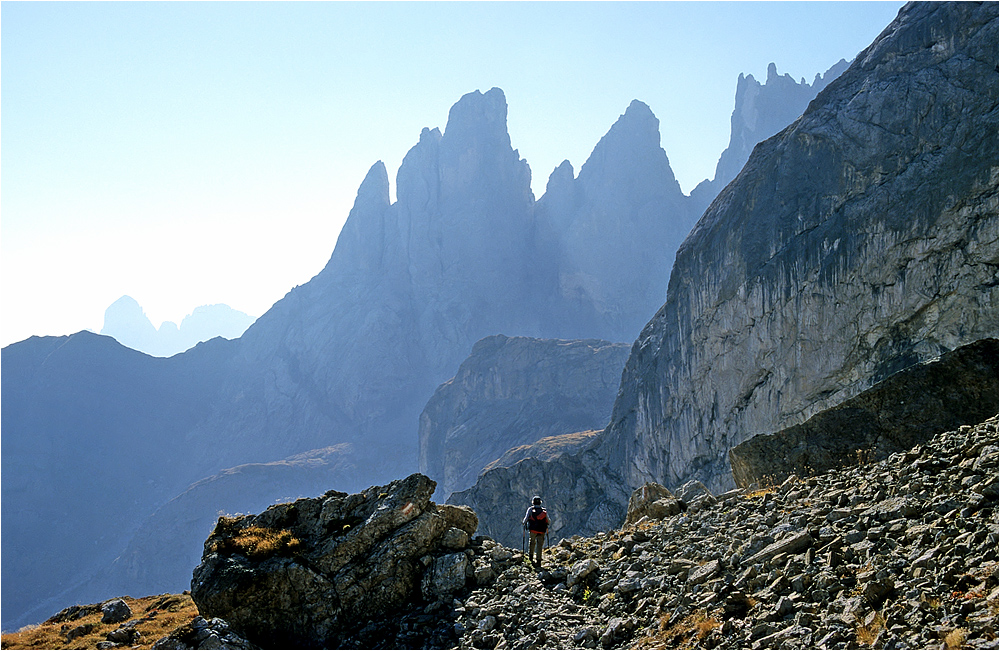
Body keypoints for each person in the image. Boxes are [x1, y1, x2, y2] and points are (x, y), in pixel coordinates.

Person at [522, 495, 549, 568]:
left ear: (533, 502)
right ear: (540, 502)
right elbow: (548, 521)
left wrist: (524, 523)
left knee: (532, 542)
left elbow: (525, 519)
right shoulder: (543, 510)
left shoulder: (530, 509)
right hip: (542, 530)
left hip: (533, 530)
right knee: (539, 545)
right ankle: (539, 560)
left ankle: (530, 557)